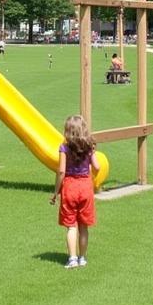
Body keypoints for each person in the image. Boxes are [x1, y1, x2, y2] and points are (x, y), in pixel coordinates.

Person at [49, 115, 100, 269]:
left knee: (71, 225)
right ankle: (82, 258)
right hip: (85, 186)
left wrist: (55, 192)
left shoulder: (64, 148)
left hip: (70, 187)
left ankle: (72, 259)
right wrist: (92, 179)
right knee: (83, 226)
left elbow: (62, 172)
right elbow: (97, 167)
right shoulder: (90, 146)